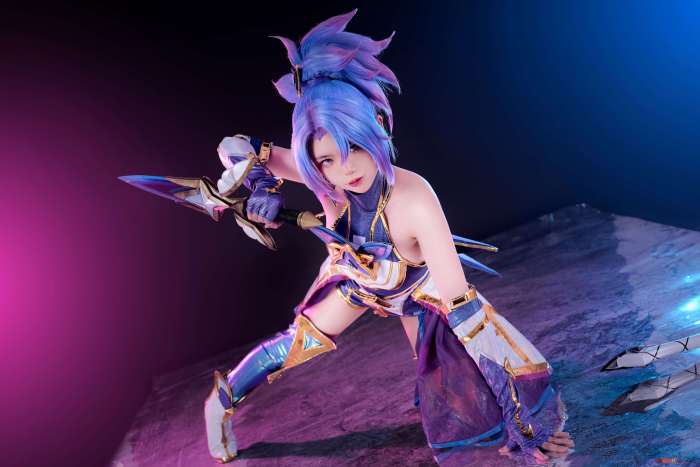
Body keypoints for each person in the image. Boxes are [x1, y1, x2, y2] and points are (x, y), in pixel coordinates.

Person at [204, 9, 574, 464]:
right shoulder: (324, 176)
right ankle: (219, 403)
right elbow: (234, 147)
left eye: (354, 148)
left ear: (377, 126)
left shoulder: (414, 200)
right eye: (326, 161)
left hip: (418, 290)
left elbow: (471, 319)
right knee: (295, 344)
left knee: (455, 382)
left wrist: (525, 427)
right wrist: (261, 185)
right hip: (356, 281)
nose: (345, 170)